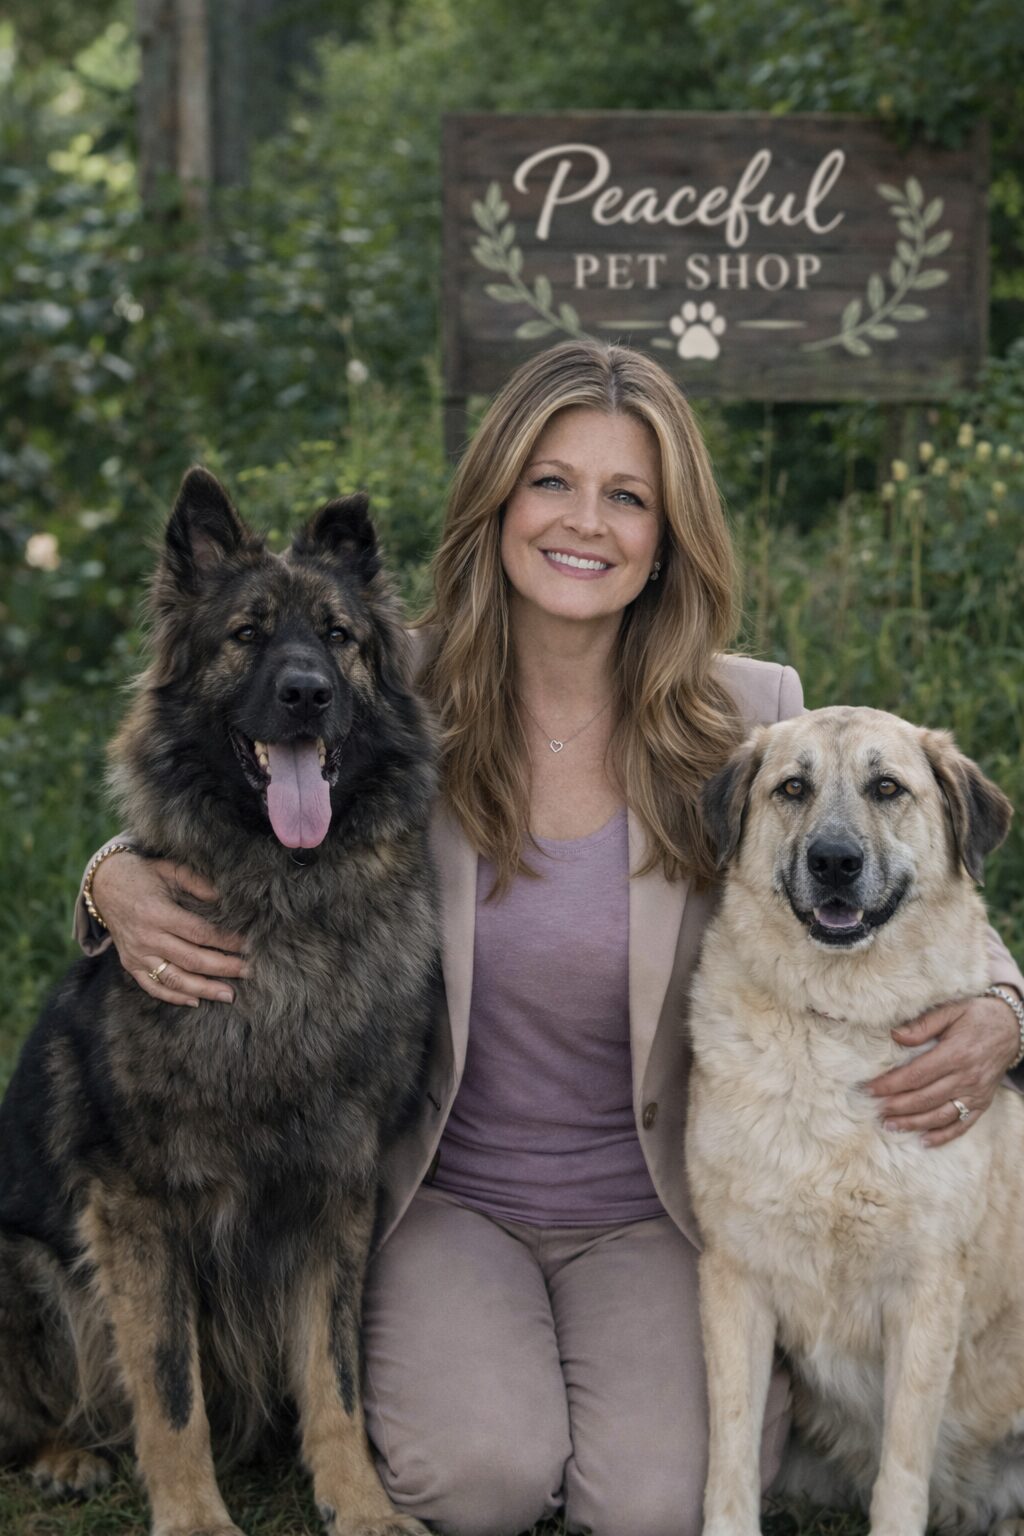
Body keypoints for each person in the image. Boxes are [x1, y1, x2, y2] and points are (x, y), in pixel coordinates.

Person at [77, 341, 1024, 1536]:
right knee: (481, 1481)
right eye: (551, 483)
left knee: (653, 1505)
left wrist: (1006, 1007)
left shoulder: (748, 715)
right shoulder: (390, 683)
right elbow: (207, 794)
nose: (585, 523)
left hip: (657, 1208)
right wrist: (106, 879)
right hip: (449, 1198)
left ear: (666, 535)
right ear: (496, 501)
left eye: (626, 496)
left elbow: (908, 869)